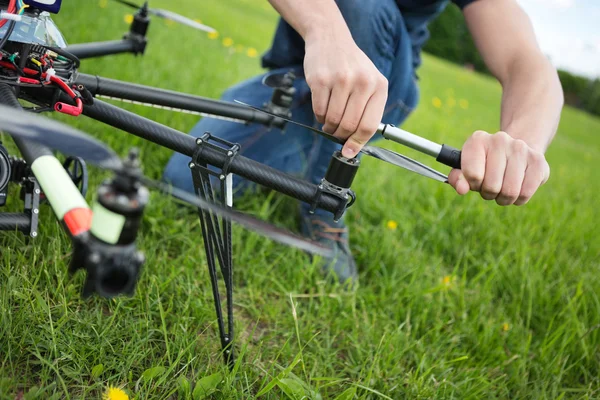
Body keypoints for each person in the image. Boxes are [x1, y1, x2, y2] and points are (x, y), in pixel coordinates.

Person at [163, 0, 563, 283]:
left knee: (365, 6)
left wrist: (523, 142)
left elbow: (526, 61)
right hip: (303, 74)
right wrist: (325, 29)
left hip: (385, 87)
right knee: (186, 178)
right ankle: (304, 146)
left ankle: (324, 205)